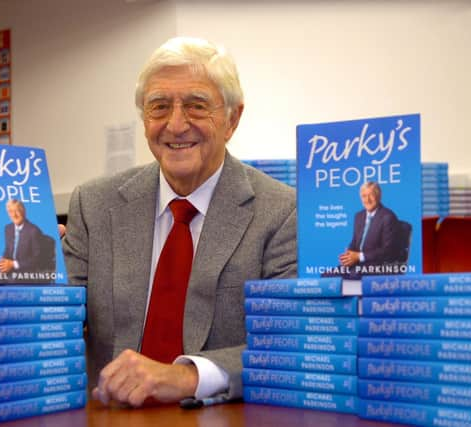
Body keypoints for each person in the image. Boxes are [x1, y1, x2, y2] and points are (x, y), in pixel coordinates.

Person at [62, 36, 297, 408]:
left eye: (196, 106)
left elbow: (289, 342)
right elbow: (57, 326)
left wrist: (188, 376)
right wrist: (33, 278)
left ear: (232, 118)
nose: (175, 124)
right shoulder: (93, 206)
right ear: (144, 120)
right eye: (158, 107)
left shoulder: (282, 213)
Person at [338, 181, 400, 268]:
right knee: (327, 275)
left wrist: (359, 256)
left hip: (376, 265)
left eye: (371, 195)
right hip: (357, 264)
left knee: (352, 276)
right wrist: (348, 255)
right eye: (364, 196)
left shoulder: (388, 217)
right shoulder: (359, 216)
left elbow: (388, 251)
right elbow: (354, 242)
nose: (367, 200)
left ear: (379, 196)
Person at [0, 199, 45, 275]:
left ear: (23, 212)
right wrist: (3, 262)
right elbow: (8, 249)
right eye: (11, 211)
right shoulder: (8, 228)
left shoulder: (34, 231)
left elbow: (38, 259)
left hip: (27, 273)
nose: (14, 215)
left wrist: (13, 264)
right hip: (10, 272)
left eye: (17, 211)